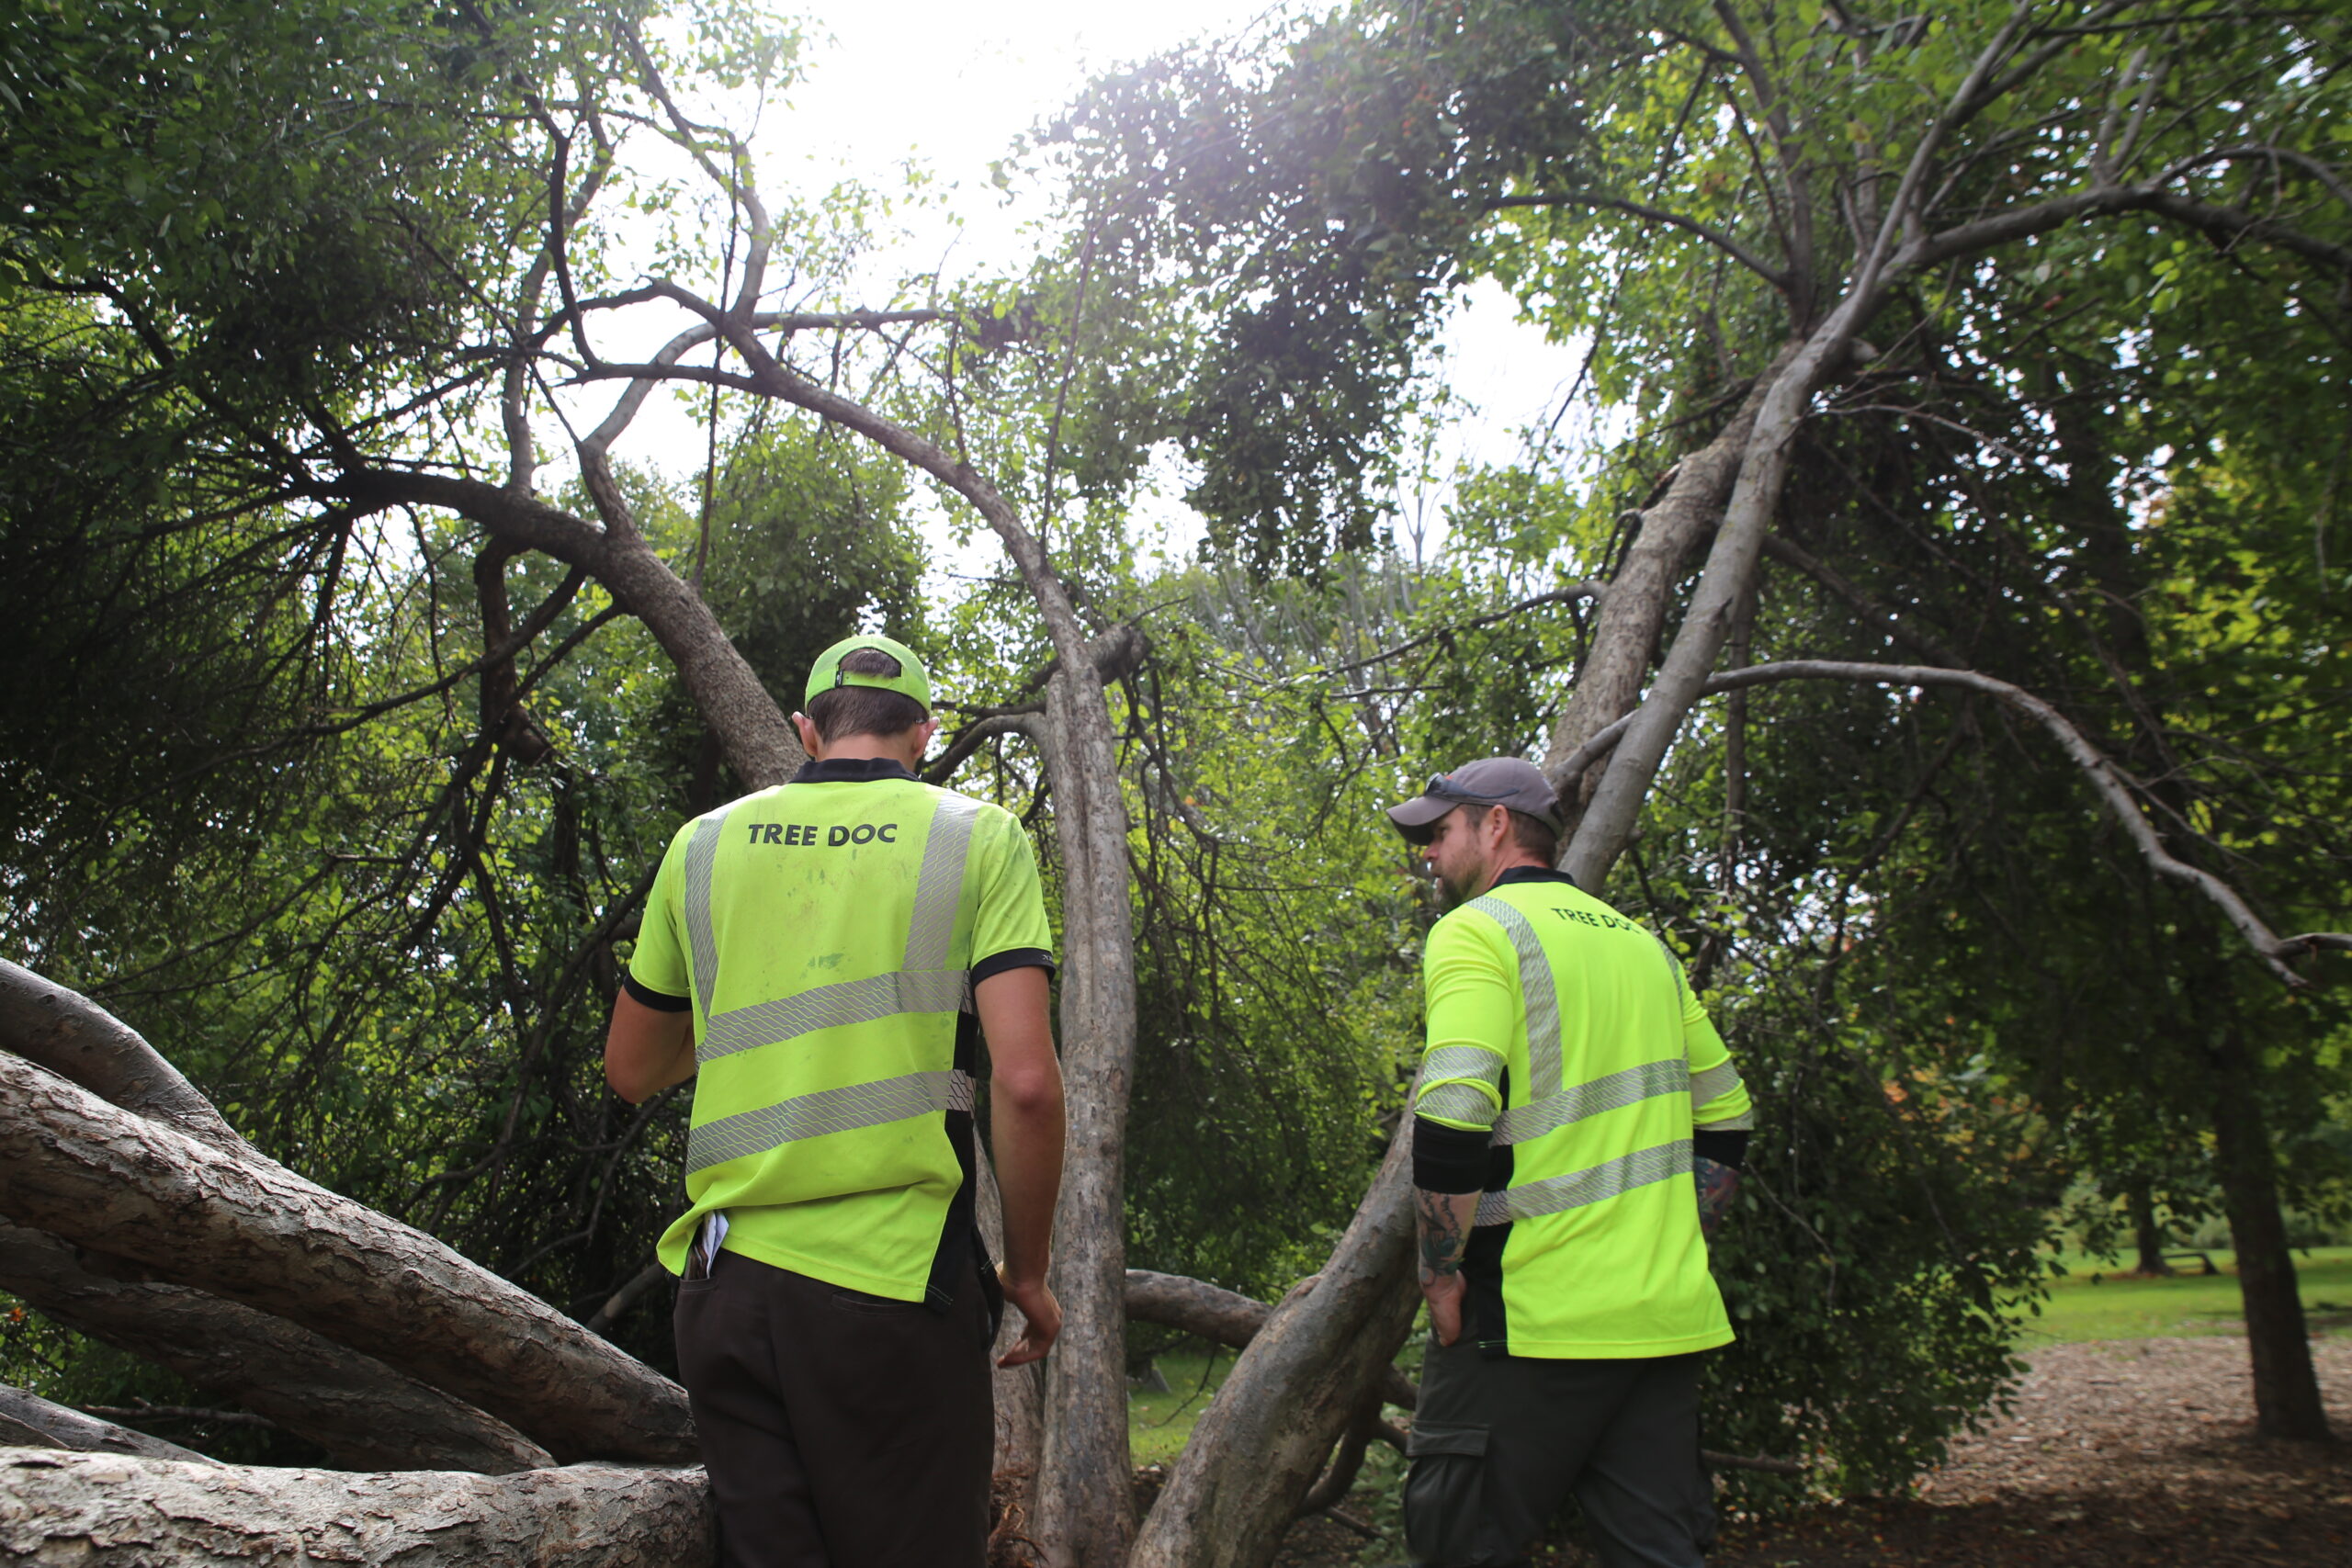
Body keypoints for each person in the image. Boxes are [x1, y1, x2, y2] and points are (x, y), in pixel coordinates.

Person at [604, 634, 1067, 1568]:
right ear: (924, 733)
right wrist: (1026, 1272)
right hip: (888, 1292)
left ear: (806, 730)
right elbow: (1024, 1084)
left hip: (727, 1293)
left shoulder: (703, 845)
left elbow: (632, 1068)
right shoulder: (975, 837)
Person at [1385, 757, 1752, 1568]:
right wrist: (1680, 1233)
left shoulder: (1478, 929)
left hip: (1525, 1323)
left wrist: (1439, 1275)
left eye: (1438, 833)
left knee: (1457, 1545)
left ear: (1496, 825)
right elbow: (1728, 1115)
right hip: (1659, 1324)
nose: (1429, 854)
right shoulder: (1647, 950)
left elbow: (1455, 1112)